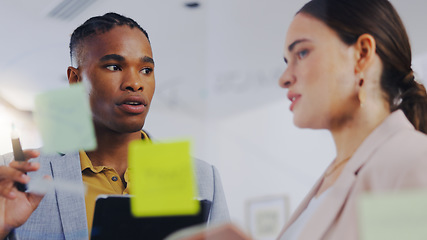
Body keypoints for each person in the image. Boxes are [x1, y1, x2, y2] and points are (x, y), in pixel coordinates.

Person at [0, 12, 229, 240]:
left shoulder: (202, 178)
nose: (135, 83)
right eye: (114, 67)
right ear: (75, 80)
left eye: (146, 70)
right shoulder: (15, 176)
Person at [276, 0, 427, 239]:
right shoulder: (332, 177)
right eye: (287, 60)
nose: (283, 79)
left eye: (302, 53)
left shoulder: (409, 163)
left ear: (362, 54)